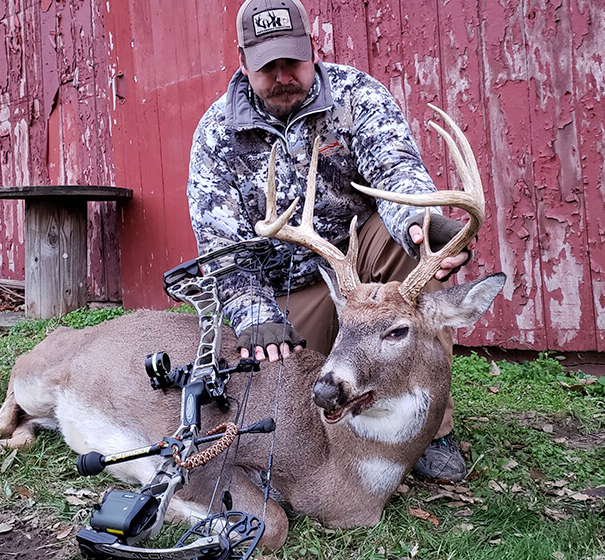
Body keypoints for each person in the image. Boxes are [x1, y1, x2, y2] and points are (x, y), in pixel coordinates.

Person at [186, 0, 473, 481]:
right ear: (242, 61)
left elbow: (396, 173)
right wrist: (256, 315)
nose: (282, 76)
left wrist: (421, 223)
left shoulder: (358, 97)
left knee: (412, 252)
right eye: (267, 66)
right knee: (265, 389)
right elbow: (222, 250)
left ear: (312, 50)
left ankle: (429, 430)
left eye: (292, 62)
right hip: (285, 296)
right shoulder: (217, 134)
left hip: (359, 275)